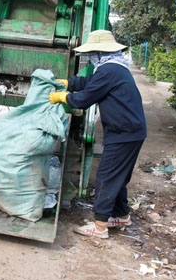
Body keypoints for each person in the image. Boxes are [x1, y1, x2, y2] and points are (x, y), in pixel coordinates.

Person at [49, 30, 147, 239]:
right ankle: (120, 215)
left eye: (94, 52)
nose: (92, 57)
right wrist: (67, 83)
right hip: (130, 132)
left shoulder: (110, 70)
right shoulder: (114, 68)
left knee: (106, 177)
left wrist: (63, 97)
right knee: (118, 177)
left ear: (100, 52)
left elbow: (85, 99)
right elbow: (89, 83)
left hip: (124, 133)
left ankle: (100, 227)